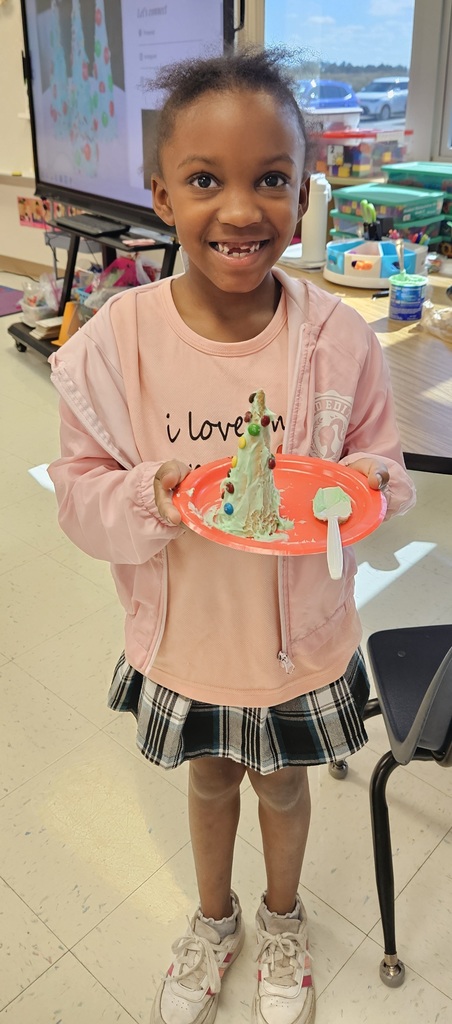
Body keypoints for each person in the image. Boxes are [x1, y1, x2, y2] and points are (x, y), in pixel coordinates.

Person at [48, 47, 416, 1024]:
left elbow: (381, 467)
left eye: (271, 179)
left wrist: (368, 482)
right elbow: (77, 498)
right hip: (188, 638)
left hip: (295, 642)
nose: (242, 210)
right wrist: (147, 496)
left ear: (304, 195)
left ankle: (281, 919)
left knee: (283, 789)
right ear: (161, 193)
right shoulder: (114, 346)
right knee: (210, 781)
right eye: (206, 180)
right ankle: (213, 921)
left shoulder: (339, 339)